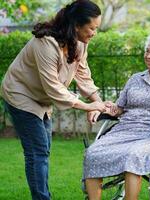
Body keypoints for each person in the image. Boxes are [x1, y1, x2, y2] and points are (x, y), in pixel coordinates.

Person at [0, 1, 105, 199]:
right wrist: (87, 106)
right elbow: (54, 87)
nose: (94, 33)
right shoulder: (46, 43)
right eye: (92, 28)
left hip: (42, 98)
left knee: (43, 149)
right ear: (76, 26)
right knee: (38, 151)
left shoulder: (80, 44)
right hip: (21, 95)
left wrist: (97, 104)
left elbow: (82, 74)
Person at [83, 31, 150, 200]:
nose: (148, 55)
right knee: (93, 152)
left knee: (134, 154)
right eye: (147, 51)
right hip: (125, 128)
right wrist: (104, 108)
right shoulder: (135, 79)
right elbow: (120, 108)